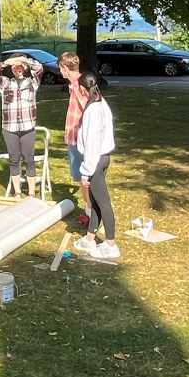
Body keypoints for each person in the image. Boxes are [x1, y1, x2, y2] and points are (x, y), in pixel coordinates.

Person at [74, 73, 120, 261]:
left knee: (103, 202)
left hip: (97, 159)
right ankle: (90, 238)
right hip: (103, 158)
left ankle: (111, 244)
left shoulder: (93, 110)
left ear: (84, 89)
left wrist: (86, 172)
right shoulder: (101, 102)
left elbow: (92, 143)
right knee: (94, 201)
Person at [0, 54, 43, 197]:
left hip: (27, 128)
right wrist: (7, 62)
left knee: (29, 160)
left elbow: (39, 68)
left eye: (20, 66)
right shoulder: (5, 83)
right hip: (9, 128)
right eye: (15, 67)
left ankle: (31, 193)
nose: (18, 69)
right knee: (14, 160)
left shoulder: (32, 83)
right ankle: (17, 192)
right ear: (11, 69)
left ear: (25, 68)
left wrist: (24, 61)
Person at [59, 51, 89, 188]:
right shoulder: (74, 85)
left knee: (85, 176)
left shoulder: (80, 85)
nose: (60, 72)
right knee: (80, 175)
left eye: (60, 68)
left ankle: (90, 208)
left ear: (65, 68)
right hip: (74, 137)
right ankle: (89, 207)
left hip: (81, 138)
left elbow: (89, 111)